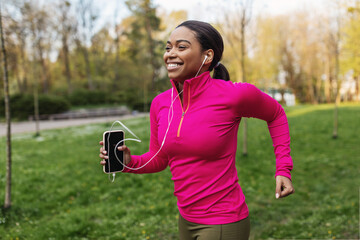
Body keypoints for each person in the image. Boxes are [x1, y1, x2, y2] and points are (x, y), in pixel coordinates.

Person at [99, 20, 294, 240]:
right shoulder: (161, 103)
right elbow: (160, 158)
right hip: (186, 219)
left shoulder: (234, 95)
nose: (170, 54)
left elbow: (276, 114)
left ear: (207, 56)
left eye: (181, 47)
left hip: (223, 220)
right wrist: (128, 162)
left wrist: (283, 168)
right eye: (168, 47)